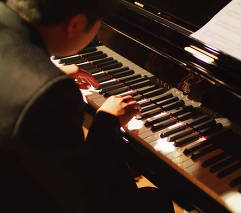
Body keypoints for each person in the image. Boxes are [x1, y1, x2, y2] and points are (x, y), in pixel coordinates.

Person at [0, 0, 174, 212]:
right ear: (74, 25)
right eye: (99, 26)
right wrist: (108, 120)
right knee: (152, 202)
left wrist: (43, 67)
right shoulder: (48, 91)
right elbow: (84, 197)